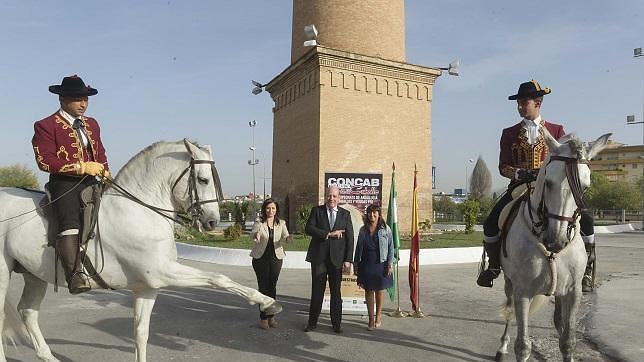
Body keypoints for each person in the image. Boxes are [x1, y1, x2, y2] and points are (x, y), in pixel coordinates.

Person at [476, 79, 596, 289]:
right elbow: (503, 167)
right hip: (520, 187)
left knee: (586, 218)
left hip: (552, 187)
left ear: (538, 103)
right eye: (519, 103)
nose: (520, 107)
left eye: (524, 103)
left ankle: (587, 268)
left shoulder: (557, 130)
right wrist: (521, 173)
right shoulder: (509, 133)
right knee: (490, 223)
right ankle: (494, 266)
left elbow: (566, 160)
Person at [32, 75, 110, 294]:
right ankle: (74, 274)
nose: (83, 104)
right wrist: (81, 167)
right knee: (70, 222)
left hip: (92, 179)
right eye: (77, 99)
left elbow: (100, 152)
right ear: (62, 99)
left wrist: (105, 170)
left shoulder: (92, 124)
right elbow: (45, 161)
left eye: (85, 99)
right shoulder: (45, 125)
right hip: (64, 183)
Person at [304, 186, 354, 333]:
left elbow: (350, 239)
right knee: (317, 292)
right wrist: (329, 234)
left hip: (337, 260)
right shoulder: (317, 211)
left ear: (339, 198)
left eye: (334, 196)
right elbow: (308, 228)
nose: (331, 199)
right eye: (329, 196)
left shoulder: (345, 214)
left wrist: (348, 260)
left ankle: (336, 324)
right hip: (319, 258)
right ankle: (312, 323)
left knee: (336, 293)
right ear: (325, 196)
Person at [250, 198, 292, 329]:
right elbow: (253, 233)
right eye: (268, 208)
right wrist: (256, 236)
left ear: (276, 210)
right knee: (263, 288)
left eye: (273, 208)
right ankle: (263, 318)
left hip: (276, 258)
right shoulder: (259, 221)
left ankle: (271, 316)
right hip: (260, 259)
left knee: (272, 287)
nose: (270, 211)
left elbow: (286, 236)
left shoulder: (281, 223)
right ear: (264, 209)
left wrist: (288, 238)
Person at [353, 204, 394, 331]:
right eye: (370, 213)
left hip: (381, 264)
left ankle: (378, 316)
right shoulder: (363, 230)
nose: (372, 215)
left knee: (379, 291)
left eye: (374, 212)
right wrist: (356, 265)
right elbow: (358, 248)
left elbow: (391, 247)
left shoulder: (385, 229)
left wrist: (390, 264)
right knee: (368, 291)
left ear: (379, 214)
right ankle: (371, 319)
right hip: (366, 264)